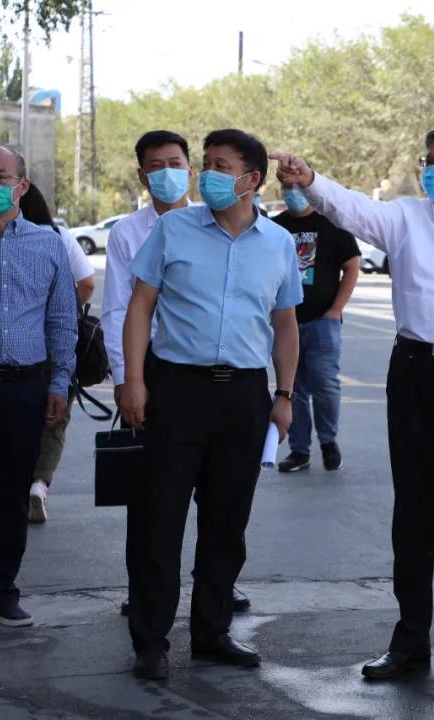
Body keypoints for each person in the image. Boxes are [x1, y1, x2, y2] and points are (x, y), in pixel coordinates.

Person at [272, 122, 434, 682]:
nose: (432, 171)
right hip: (415, 373)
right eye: (428, 161)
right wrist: (310, 178)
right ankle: (410, 642)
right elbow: (349, 208)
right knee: (414, 514)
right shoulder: (403, 219)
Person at [119, 129, 302, 680]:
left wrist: (284, 395)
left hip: (243, 395)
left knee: (227, 520)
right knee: (159, 520)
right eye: (207, 164)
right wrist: (134, 380)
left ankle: (211, 632)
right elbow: (140, 306)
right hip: (176, 388)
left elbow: (286, 323)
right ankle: (151, 640)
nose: (208, 175)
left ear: (252, 179)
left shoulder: (278, 243)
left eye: (222, 166)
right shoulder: (174, 228)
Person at [102, 130, 251, 617]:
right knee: (153, 499)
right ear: (142, 176)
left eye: (175, 162)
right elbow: (119, 309)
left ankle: (217, 590)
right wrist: (127, 379)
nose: (166, 172)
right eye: (155, 165)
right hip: (152, 370)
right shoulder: (129, 232)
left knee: (221, 496)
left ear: (189, 169)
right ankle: (145, 593)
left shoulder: (223, 222)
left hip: (213, 374)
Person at [0, 146, 77, 626]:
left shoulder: (48, 244)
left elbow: (62, 320)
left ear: (21, 186)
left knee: (12, 494)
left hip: (23, 386)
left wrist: (59, 383)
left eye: (0, 177)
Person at [16, 182, 95, 524]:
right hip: (57, 344)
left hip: (18, 347)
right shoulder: (59, 236)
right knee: (55, 419)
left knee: (14, 421)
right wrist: (62, 304)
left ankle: (15, 484)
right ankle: (39, 483)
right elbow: (88, 283)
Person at [273, 182, 361, 473]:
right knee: (293, 389)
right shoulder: (276, 227)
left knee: (325, 385)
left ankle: (328, 441)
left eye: (297, 186)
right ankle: (299, 450)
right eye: (286, 187)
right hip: (286, 323)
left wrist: (335, 310)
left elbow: (352, 266)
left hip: (323, 322)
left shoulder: (332, 223)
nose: (292, 192)